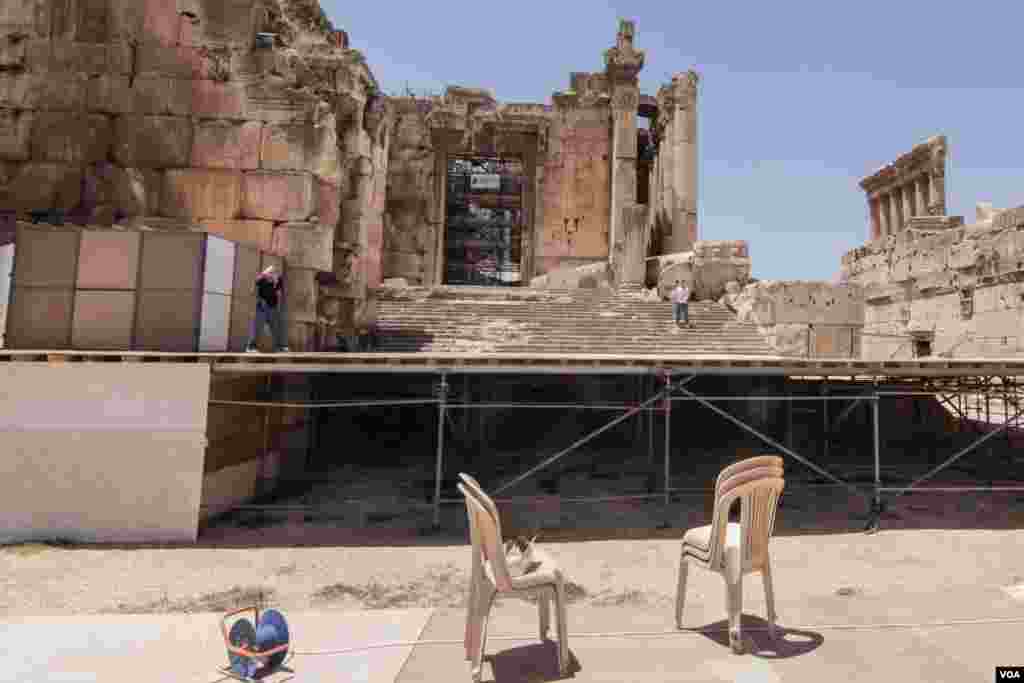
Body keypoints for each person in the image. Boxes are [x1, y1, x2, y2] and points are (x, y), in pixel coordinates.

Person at [245, 266, 290, 353]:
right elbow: (253, 292)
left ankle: (281, 347)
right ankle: (251, 347)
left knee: (277, 327)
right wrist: (259, 302)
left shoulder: (278, 280)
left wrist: (276, 284)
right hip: (262, 307)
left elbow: (280, 293)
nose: (272, 278)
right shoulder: (260, 280)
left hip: (273, 306)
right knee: (257, 327)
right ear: (266, 275)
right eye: (270, 275)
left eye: (274, 275)